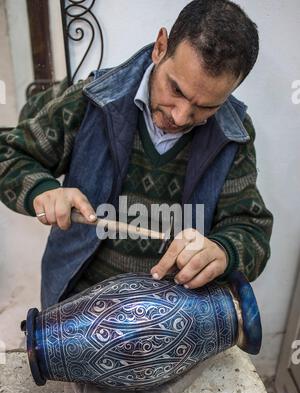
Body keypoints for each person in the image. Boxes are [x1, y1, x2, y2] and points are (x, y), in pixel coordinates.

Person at [0, 0, 273, 309]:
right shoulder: (95, 100)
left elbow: (252, 232)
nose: (182, 116)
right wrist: (44, 191)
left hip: (175, 317)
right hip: (78, 309)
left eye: (206, 106)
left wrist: (224, 251)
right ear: (160, 47)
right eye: (177, 91)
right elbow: (8, 154)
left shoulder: (233, 133)